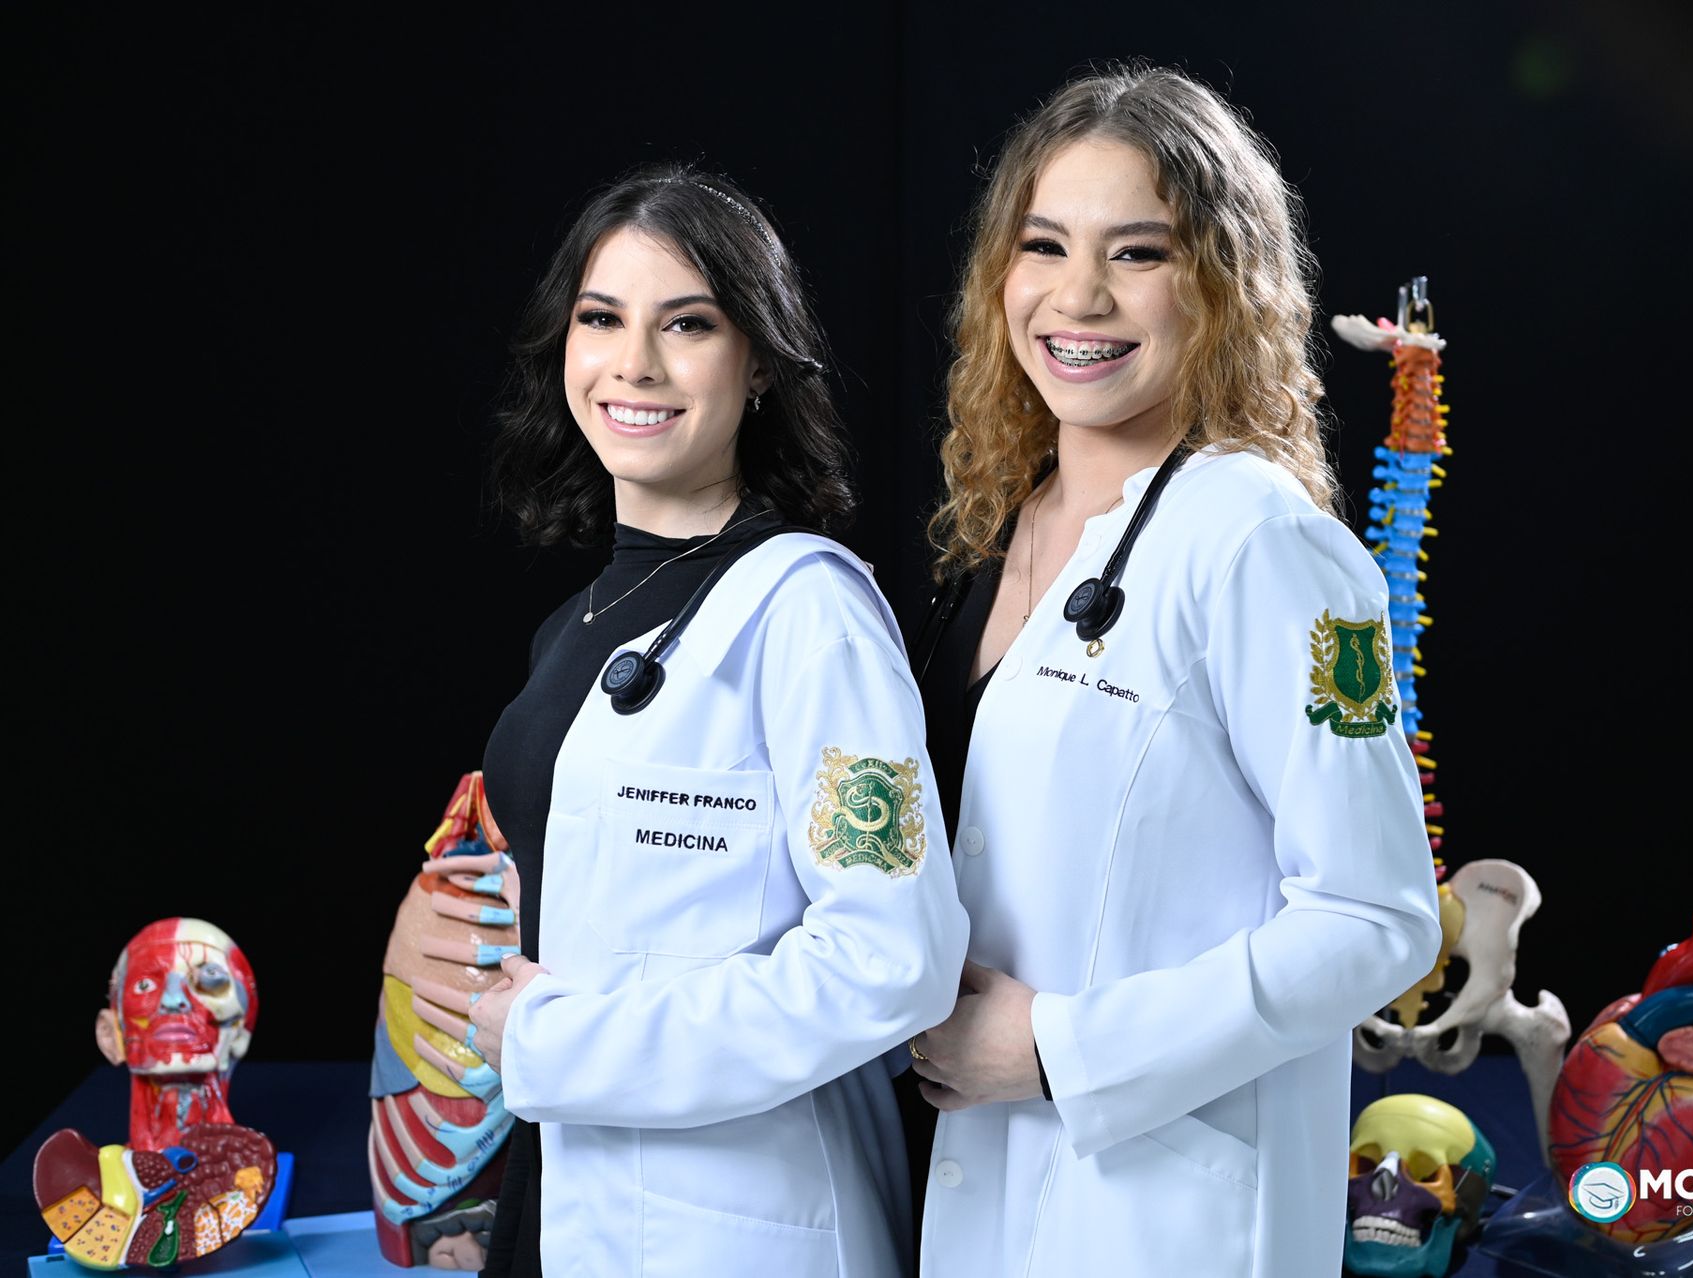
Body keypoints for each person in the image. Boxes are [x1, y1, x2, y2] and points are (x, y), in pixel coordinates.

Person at [906, 66, 1443, 1276]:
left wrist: (1064, 1051)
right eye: (1044, 245)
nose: (1078, 295)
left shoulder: (1271, 546)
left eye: (1137, 253)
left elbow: (1379, 919)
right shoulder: (1002, 529)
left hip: (1154, 1223)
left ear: (1221, 284)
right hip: (965, 1190)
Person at [414, 165, 968, 1278]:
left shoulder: (808, 612)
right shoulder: (575, 625)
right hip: (563, 1186)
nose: (635, 364)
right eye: (601, 319)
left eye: (688, 325)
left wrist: (564, 1041)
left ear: (758, 361)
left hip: (736, 1226)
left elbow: (892, 959)